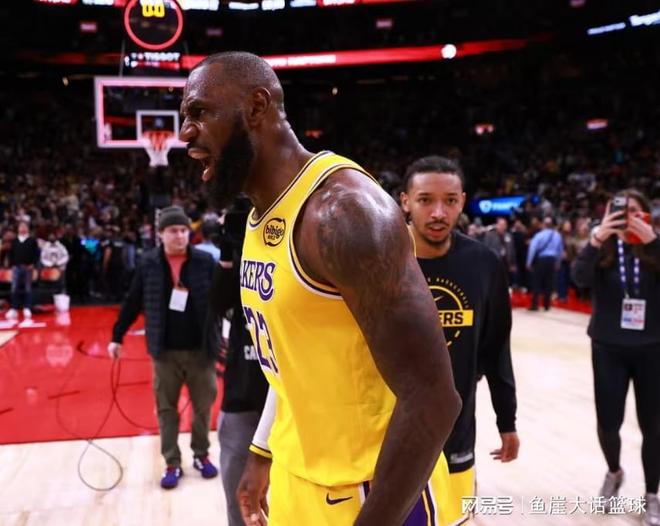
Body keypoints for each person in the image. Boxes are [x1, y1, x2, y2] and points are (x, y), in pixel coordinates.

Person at [179, 51, 461, 525]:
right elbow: (291, 361)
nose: (186, 132)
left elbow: (433, 398)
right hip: (299, 475)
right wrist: (263, 450)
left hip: (375, 492)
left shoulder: (344, 214)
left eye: (199, 111)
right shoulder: (261, 214)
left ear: (256, 107)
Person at [400, 155, 519, 525]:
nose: (439, 212)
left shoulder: (484, 264)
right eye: (425, 200)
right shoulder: (380, 259)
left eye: (450, 201)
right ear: (405, 201)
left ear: (462, 202)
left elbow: (496, 349)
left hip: (456, 434)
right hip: (383, 439)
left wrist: (507, 420)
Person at [107, 206, 219, 489]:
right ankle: (172, 462)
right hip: (164, 352)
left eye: (183, 231)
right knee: (166, 409)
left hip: (201, 351)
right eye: (173, 231)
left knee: (203, 407)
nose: (179, 236)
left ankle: (201, 454)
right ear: (161, 234)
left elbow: (221, 298)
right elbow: (133, 300)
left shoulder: (205, 261)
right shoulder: (148, 263)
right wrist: (117, 335)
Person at [572, 189, 660, 526]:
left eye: (634, 211)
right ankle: (614, 471)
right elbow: (578, 278)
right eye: (619, 211)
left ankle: (651, 494)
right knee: (608, 424)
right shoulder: (602, 247)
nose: (626, 218)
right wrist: (596, 239)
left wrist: (652, 242)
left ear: (646, 214)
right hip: (608, 346)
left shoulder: (654, 246)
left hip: (653, 347)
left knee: (654, 426)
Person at [209, 204, 269, 526]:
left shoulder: (290, 247)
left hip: (289, 396)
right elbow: (218, 302)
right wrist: (228, 249)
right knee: (239, 492)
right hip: (242, 394)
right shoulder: (234, 260)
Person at [526, 216, 563, 311]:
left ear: (543, 224)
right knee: (549, 282)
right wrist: (558, 262)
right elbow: (560, 251)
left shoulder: (539, 235)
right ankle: (547, 305)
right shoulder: (557, 235)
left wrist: (529, 262)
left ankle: (535, 305)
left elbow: (532, 249)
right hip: (552, 260)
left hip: (541, 260)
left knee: (537, 282)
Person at [6, 221, 40, 320]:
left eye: (25, 226)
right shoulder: (15, 241)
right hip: (16, 268)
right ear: (18, 229)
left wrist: (33, 264)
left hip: (28, 267)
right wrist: (12, 265)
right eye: (21, 226)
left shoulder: (32, 240)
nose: (23, 228)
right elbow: (11, 254)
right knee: (14, 288)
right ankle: (14, 308)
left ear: (28, 229)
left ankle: (27, 307)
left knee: (28, 288)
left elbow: (36, 254)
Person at [483, 216, 517, 281]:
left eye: (504, 225)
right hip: (494, 263)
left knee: (505, 281)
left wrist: (513, 264)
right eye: (500, 225)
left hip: (506, 264)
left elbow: (512, 250)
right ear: (497, 225)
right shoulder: (490, 235)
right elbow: (485, 249)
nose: (502, 227)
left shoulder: (508, 236)